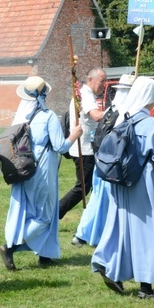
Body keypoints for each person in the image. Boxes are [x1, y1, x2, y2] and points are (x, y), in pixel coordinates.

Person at [90, 76, 154, 298]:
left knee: (124, 230)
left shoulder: (123, 119)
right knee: (148, 231)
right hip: (144, 184)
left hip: (122, 181)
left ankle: (110, 265)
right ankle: (146, 287)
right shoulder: (150, 123)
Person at [0, 76, 82, 270]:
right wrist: (75, 135)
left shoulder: (19, 117)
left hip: (23, 170)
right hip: (42, 170)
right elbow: (60, 146)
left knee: (31, 212)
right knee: (45, 215)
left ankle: (45, 254)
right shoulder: (48, 116)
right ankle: (11, 247)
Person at [72, 73, 134, 247]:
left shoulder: (113, 108)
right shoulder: (122, 112)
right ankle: (91, 235)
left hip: (102, 158)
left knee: (98, 197)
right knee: (107, 199)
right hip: (113, 161)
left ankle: (84, 234)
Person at [59, 68, 107, 220]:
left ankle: (95, 217)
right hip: (84, 149)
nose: (104, 85)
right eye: (102, 81)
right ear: (90, 80)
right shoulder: (86, 95)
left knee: (91, 186)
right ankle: (55, 213)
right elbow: (96, 116)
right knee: (83, 188)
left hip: (87, 147)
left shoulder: (86, 93)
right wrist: (115, 110)